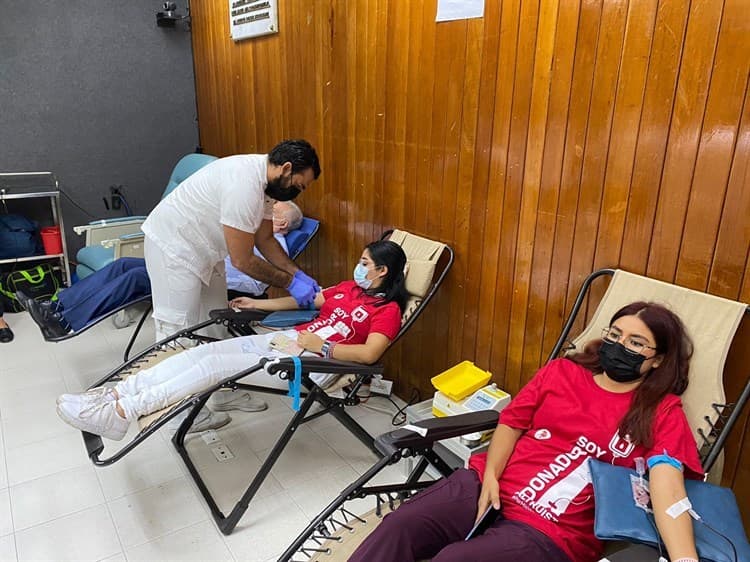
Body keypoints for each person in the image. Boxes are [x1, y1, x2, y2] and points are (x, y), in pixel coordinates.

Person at [349, 302, 703, 562]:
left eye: (636, 343)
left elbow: (668, 486)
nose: (620, 346)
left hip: (554, 529)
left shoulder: (662, 411)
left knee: (455, 560)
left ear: (658, 359)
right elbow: (512, 422)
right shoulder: (562, 372)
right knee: (402, 525)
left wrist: (684, 560)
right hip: (490, 483)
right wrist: (491, 476)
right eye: (615, 334)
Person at [55, 240, 408, 441]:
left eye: (365, 263)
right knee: (204, 351)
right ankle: (115, 394)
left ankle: (122, 413)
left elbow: (371, 353)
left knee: (213, 367)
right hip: (289, 343)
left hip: (311, 365)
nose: (358, 267)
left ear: (382, 271)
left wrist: (324, 348)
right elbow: (304, 301)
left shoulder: (388, 309)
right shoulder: (346, 289)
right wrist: (257, 303)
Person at [20, 201, 306, 340]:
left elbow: (253, 284)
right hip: (188, 267)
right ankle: (55, 305)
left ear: (280, 224)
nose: (262, 213)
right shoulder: (250, 233)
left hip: (206, 281)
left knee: (134, 277)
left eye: (272, 213)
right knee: (122, 264)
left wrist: (200, 267)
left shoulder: (273, 245)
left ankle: (67, 321)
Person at [141, 139, 321, 343]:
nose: (296, 193)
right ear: (286, 168)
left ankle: (208, 369)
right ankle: (171, 373)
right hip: (173, 246)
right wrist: (290, 283)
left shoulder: (268, 187)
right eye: (298, 185)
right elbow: (242, 261)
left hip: (206, 250)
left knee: (215, 322)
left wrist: (298, 274)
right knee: (176, 333)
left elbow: (266, 240)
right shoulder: (244, 185)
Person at [226, 200, 304, 300]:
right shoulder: (256, 235)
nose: (262, 213)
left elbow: (256, 285)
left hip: (230, 286)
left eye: (271, 211)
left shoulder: (277, 249)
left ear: (283, 223)